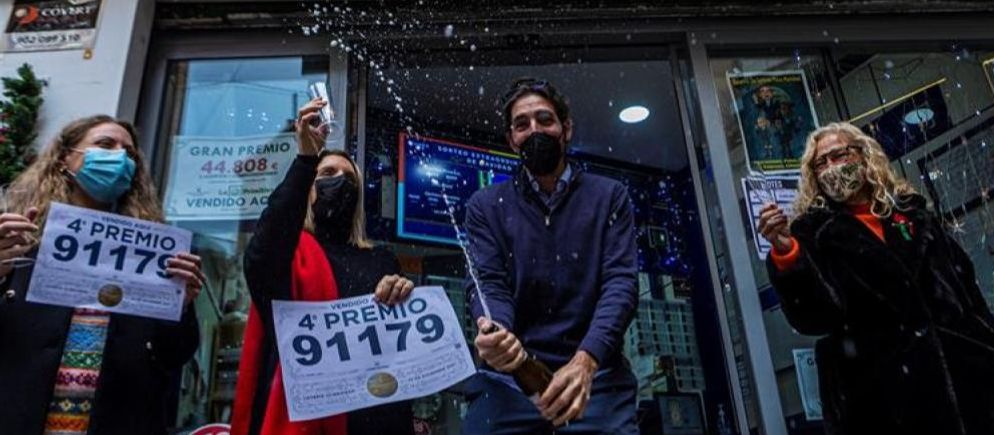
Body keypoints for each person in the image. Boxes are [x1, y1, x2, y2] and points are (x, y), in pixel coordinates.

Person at [758, 122, 994, 435]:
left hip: (973, 384)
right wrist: (787, 254)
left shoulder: (915, 216)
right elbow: (814, 318)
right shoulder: (813, 235)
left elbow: (967, 292)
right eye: (820, 163)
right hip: (884, 400)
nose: (830, 168)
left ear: (864, 156)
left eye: (838, 155)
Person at [0, 115, 205, 435]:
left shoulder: (154, 255)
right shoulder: (17, 240)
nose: (120, 157)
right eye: (105, 145)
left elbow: (173, 355)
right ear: (65, 158)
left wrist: (180, 306)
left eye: (130, 153)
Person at [463, 78, 638, 433]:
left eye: (545, 120)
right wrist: (496, 331)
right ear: (511, 139)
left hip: (598, 378)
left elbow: (620, 284)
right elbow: (488, 284)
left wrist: (586, 361)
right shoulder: (485, 206)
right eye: (522, 124)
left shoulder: (610, 197)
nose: (534, 130)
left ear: (566, 129)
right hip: (511, 383)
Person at [232, 98, 417, 435]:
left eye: (349, 177)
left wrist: (401, 292)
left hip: (376, 418)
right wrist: (305, 158)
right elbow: (261, 255)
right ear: (308, 189)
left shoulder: (381, 260)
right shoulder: (287, 257)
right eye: (328, 173)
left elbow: (401, 348)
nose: (340, 181)